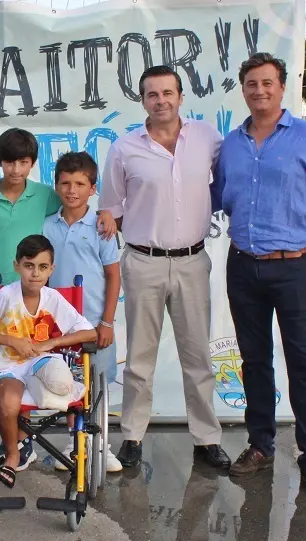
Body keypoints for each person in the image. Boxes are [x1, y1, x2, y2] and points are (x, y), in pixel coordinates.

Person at [210, 52, 306, 498]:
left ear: (282, 86)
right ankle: (260, 445)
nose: (260, 91)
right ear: (243, 89)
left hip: (293, 267)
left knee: (303, 364)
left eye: (267, 83)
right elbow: (211, 198)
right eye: (252, 84)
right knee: (254, 362)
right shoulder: (231, 145)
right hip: (243, 266)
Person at [98, 65, 231, 471]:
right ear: (143, 101)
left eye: (168, 92)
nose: (161, 100)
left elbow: (228, 180)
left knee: (198, 358)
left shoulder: (207, 138)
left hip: (192, 261)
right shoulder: (124, 148)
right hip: (144, 263)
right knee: (140, 360)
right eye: (152, 94)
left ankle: (207, 439)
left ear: (180, 96)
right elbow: (110, 208)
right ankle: (133, 437)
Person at [0, 235, 98, 486]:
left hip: (41, 364)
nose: (35, 273)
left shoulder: (53, 299)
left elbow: (90, 333)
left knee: (61, 383)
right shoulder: (6, 296)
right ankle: (13, 455)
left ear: (51, 269)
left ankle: (29, 434)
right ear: (17, 266)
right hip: (10, 368)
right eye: (29, 266)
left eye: (42, 267)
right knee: (9, 403)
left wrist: (51, 343)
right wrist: (11, 341)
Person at [0, 129, 116, 317]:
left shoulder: (45, 196)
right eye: (10, 163)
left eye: (23, 163)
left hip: (37, 296)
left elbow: (74, 204)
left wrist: (104, 213)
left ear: (33, 163)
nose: (16, 170)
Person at [42, 151, 123, 473]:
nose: (71, 190)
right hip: (59, 325)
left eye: (79, 183)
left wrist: (107, 321)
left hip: (93, 321)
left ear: (93, 188)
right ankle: (74, 443)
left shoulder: (102, 228)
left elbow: (113, 275)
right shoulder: (47, 225)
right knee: (71, 384)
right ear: (56, 185)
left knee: (99, 383)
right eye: (65, 183)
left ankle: (100, 443)